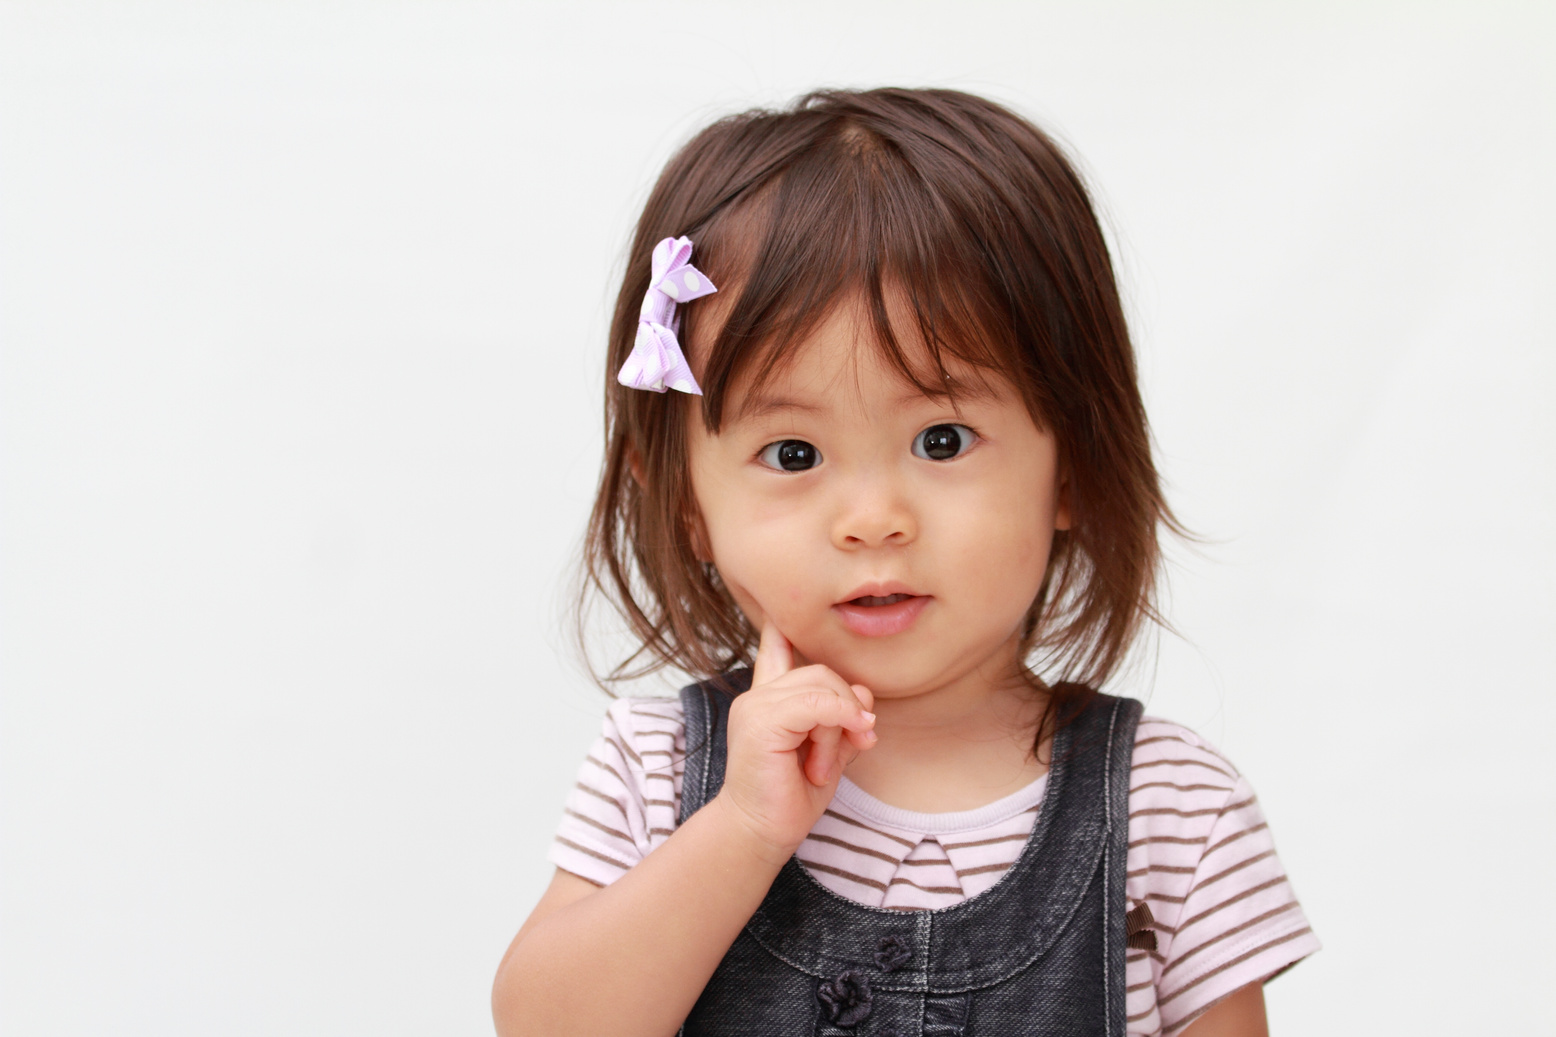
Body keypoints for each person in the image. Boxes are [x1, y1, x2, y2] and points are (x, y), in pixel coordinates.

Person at [492, 88, 1318, 1037]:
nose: (874, 520)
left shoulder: (1173, 811)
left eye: (942, 439)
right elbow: (542, 1024)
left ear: (1073, 465)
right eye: (794, 455)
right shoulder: (663, 767)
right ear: (683, 502)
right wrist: (743, 831)